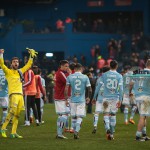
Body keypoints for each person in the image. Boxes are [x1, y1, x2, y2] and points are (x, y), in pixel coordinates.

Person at [0, 48, 37, 138]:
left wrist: (31, 56)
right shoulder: (8, 72)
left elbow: (28, 65)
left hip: (20, 95)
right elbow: (2, 64)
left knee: (17, 114)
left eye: (17, 61)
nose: (16, 63)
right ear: (11, 63)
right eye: (14, 62)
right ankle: (3, 128)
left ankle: (13, 132)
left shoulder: (20, 71)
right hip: (13, 94)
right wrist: (1, 54)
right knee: (12, 111)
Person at [94, 60, 123, 140]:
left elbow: (98, 87)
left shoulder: (104, 75)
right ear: (116, 66)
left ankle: (107, 129)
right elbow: (121, 89)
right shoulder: (119, 76)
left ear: (110, 66)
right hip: (115, 98)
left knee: (106, 114)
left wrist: (94, 97)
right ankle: (112, 133)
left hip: (106, 98)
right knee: (113, 115)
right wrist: (120, 99)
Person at [64, 63, 92, 139]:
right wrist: (88, 97)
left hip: (72, 100)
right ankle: (76, 132)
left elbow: (66, 89)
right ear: (81, 68)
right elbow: (89, 89)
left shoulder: (70, 77)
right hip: (81, 100)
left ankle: (73, 129)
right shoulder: (85, 77)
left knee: (73, 117)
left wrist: (66, 99)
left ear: (74, 69)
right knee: (80, 117)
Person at [129, 59, 150, 141]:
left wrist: (130, 92)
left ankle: (144, 134)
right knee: (143, 116)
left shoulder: (137, 72)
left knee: (144, 116)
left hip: (137, 96)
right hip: (146, 97)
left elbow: (131, 83)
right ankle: (138, 136)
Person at [54, 60, 70, 139]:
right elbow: (68, 81)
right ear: (62, 66)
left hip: (60, 97)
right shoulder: (60, 73)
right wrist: (70, 74)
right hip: (61, 97)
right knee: (64, 115)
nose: (68, 68)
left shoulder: (59, 73)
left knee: (63, 115)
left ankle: (59, 133)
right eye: (66, 66)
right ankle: (59, 133)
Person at [91, 66, 110, 134]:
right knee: (106, 114)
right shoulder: (110, 79)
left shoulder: (99, 79)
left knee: (97, 113)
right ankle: (107, 128)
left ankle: (95, 126)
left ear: (102, 72)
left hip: (99, 98)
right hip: (107, 98)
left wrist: (94, 98)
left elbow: (97, 89)